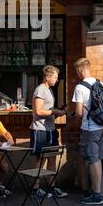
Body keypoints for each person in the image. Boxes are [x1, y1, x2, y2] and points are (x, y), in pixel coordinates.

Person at [72, 58, 103, 205]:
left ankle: (97, 195)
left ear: (80, 70)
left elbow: (79, 112)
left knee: (93, 160)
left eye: (77, 71)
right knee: (98, 158)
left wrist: (74, 112)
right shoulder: (101, 84)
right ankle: (94, 191)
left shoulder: (80, 88)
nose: (77, 74)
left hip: (90, 129)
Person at [30, 65, 68, 198]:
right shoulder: (40, 90)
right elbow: (38, 111)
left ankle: (51, 187)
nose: (57, 80)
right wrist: (54, 111)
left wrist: (58, 112)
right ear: (47, 77)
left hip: (50, 129)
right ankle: (35, 188)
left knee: (52, 158)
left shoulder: (49, 90)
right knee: (40, 159)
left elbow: (48, 111)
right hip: (40, 130)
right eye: (55, 77)